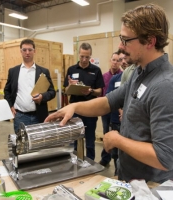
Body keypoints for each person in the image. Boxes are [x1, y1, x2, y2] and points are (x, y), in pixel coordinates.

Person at [45, 4, 173, 183]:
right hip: (129, 179)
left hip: (151, 187)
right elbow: (108, 101)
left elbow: (165, 157)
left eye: (126, 40)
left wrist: (118, 140)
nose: (121, 46)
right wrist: (74, 106)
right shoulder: (139, 73)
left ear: (150, 41)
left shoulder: (165, 85)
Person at [4, 39, 56, 133]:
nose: (27, 52)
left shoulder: (43, 71)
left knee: (39, 144)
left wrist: (42, 97)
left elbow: (52, 92)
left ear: (34, 51)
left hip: (39, 115)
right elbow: (7, 91)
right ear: (21, 51)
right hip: (20, 116)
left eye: (30, 50)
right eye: (24, 50)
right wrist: (10, 105)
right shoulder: (13, 71)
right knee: (21, 145)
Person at [64, 42, 104, 161]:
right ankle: (77, 161)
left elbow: (100, 91)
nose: (84, 59)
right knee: (76, 138)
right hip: (75, 110)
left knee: (90, 140)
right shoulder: (71, 69)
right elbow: (66, 91)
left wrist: (91, 91)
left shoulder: (96, 70)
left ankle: (90, 162)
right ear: (78, 55)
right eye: (82, 56)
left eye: (87, 57)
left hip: (91, 109)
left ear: (90, 55)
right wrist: (70, 86)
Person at [100, 52, 122, 166]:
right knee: (106, 133)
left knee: (117, 136)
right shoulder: (104, 77)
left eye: (118, 60)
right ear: (110, 60)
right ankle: (105, 158)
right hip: (106, 111)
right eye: (114, 60)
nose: (115, 62)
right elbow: (102, 94)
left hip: (116, 113)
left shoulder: (123, 76)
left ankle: (116, 162)